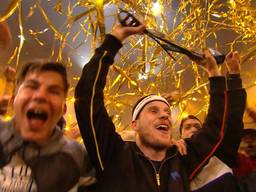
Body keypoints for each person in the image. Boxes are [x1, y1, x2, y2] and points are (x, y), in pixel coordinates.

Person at [74, 23, 246, 191]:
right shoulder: (114, 154)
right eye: (153, 110)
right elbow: (87, 97)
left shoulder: (182, 159)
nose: (164, 116)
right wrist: (115, 39)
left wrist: (214, 73)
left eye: (167, 112)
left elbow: (215, 127)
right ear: (135, 125)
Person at [0, 60, 95, 191]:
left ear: (63, 109)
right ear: (12, 101)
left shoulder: (77, 157)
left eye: (54, 91)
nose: (41, 96)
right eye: (32, 86)